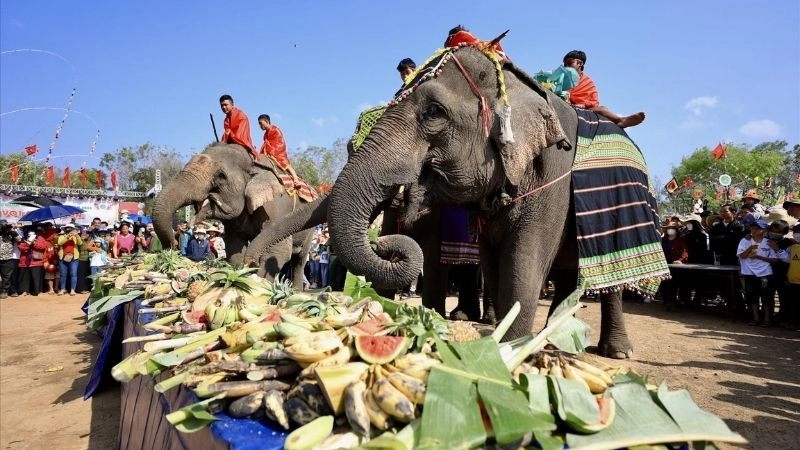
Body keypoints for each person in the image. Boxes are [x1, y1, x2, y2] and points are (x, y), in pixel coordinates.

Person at [562, 50, 645, 128]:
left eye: (569, 63)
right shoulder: (561, 76)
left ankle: (620, 120)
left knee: (603, 109)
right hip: (563, 104)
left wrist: (582, 105)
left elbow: (593, 102)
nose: (566, 66)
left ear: (580, 64)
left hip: (583, 109)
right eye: (565, 64)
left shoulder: (587, 81)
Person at [737, 219, 787, 327]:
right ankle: (755, 318)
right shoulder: (745, 240)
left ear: (764, 230)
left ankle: (767, 319)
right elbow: (741, 256)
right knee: (752, 296)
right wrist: (750, 248)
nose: (753, 230)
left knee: (766, 296)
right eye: (752, 228)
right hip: (749, 272)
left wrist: (758, 257)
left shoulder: (768, 242)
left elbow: (774, 259)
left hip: (765, 272)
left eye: (757, 228)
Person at [256, 114, 300, 183]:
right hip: (269, 152)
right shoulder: (265, 135)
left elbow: (280, 143)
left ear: (266, 121)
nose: (260, 126)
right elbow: (266, 144)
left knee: (286, 164)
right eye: (259, 124)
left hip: (278, 152)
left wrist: (272, 151)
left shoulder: (275, 130)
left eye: (261, 123)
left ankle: (296, 180)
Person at [219, 94, 257, 159]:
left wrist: (228, 133)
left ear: (232, 104)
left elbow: (241, 137)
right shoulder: (226, 120)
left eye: (225, 105)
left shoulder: (241, 116)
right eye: (222, 105)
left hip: (242, 143)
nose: (223, 107)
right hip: (231, 144)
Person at [57, 224, 83, 295]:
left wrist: (76, 235)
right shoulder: (62, 236)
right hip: (63, 257)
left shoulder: (75, 236)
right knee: (63, 274)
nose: (69, 230)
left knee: (73, 274)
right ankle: (62, 289)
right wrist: (67, 237)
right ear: (65, 229)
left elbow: (80, 243)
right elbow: (59, 243)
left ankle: (72, 290)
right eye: (67, 228)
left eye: (70, 228)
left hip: (74, 258)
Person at [0, 220, 20, 299]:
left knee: (6, 277)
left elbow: (19, 240)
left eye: (5, 225)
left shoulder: (11, 233)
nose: (4, 227)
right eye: (2, 225)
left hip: (7, 258)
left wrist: (12, 231)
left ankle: (4, 291)